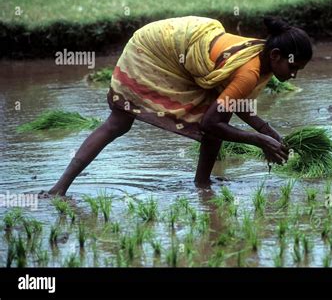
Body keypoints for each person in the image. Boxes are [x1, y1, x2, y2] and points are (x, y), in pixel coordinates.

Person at [47, 15, 313, 196]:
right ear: (276, 56)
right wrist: (260, 140)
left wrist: (272, 135)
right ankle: (58, 189)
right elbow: (213, 122)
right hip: (154, 49)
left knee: (219, 117)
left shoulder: (262, 54)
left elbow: (234, 102)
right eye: (293, 67)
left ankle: (202, 186)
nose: (294, 75)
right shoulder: (250, 71)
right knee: (119, 123)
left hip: (179, 43)